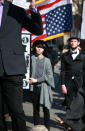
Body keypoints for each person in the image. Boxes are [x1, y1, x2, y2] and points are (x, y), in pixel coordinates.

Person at [0, 0, 43, 130]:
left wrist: (33, 9)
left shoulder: (16, 10)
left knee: (16, 110)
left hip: (12, 69)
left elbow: (37, 29)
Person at [29, 40, 55, 130]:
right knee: (35, 109)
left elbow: (49, 76)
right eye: (36, 47)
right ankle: (36, 127)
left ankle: (47, 128)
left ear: (44, 49)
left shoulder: (47, 61)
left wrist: (37, 80)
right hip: (33, 87)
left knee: (46, 108)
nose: (38, 49)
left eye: (40, 47)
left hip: (44, 87)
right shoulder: (31, 58)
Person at [60, 37, 85, 108]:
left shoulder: (84, 56)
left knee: (79, 103)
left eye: (75, 41)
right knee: (68, 103)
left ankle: (78, 118)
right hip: (68, 83)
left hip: (80, 83)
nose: (73, 43)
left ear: (78, 43)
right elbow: (63, 71)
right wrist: (63, 84)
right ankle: (68, 118)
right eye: (71, 41)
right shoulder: (64, 55)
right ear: (70, 43)